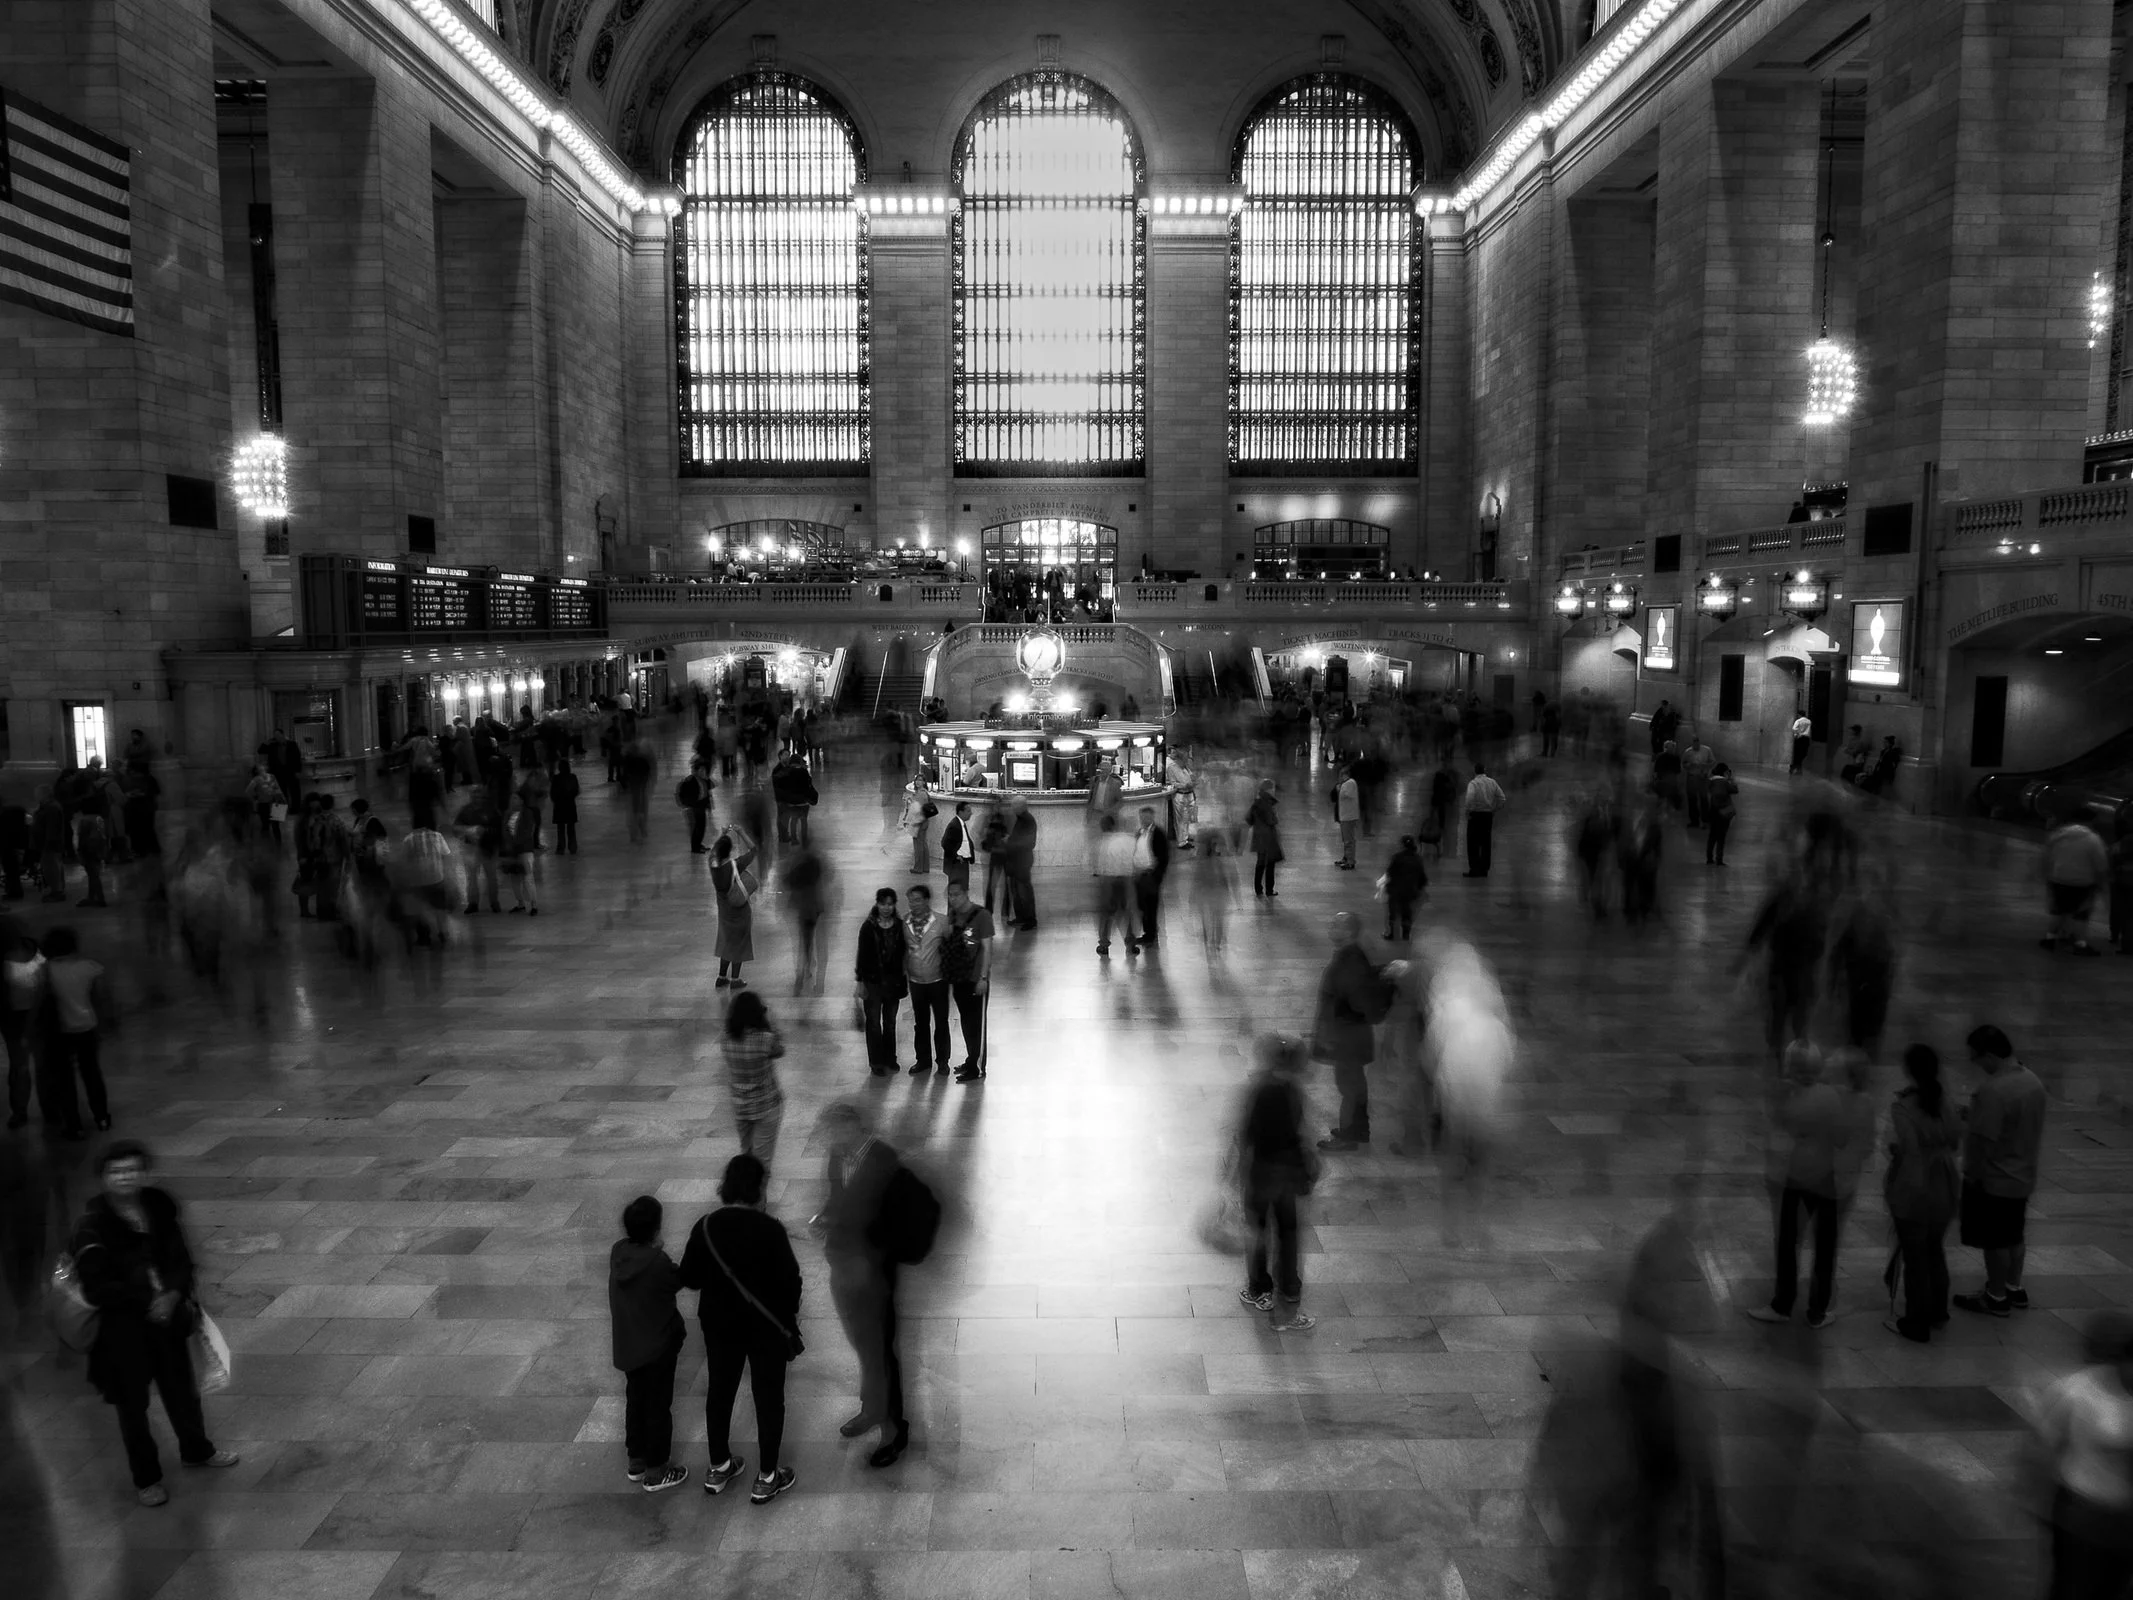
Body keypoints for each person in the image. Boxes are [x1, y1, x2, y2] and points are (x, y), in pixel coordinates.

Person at [72, 1140, 239, 1503]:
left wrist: (173, 1296)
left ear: (145, 1173)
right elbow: (98, 1286)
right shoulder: (92, 1228)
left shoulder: (159, 1208)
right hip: (123, 1332)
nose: (125, 1177)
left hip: (168, 1321)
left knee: (182, 1392)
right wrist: (148, 1301)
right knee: (132, 1408)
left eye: (132, 1170)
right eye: (116, 1172)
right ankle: (147, 1478)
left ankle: (197, 1449)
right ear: (103, 1178)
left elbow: (180, 1257)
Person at [677, 1153, 802, 1505]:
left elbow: (689, 1277)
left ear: (727, 1186)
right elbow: (791, 1282)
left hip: (719, 1324)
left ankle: (719, 1466)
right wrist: (787, 1316)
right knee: (768, 1397)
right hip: (765, 1329)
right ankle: (767, 1476)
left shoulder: (706, 1226)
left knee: (720, 1389)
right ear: (759, 1188)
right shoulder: (771, 1229)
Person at [815, 1102, 909, 1468]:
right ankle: (871, 1409)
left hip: (874, 1272)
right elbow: (837, 1199)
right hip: (844, 1265)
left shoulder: (884, 1161)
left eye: (832, 1131)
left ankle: (893, 1428)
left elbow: (892, 1221)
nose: (828, 1139)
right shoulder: (838, 1158)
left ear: (852, 1128)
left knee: (881, 1350)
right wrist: (825, 1219)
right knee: (862, 1344)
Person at [2033, 1310, 2133, 1600]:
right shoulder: (2077, 1392)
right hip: (2081, 1511)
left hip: (2123, 1517)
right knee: (2073, 1587)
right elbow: (2041, 1447)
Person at [1746, 1042, 1845, 1329]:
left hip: (1796, 1175)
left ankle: (1783, 1304)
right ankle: (1818, 1311)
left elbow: (1777, 1126)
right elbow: (1841, 1139)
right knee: (1825, 1246)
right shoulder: (1830, 1095)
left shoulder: (1788, 1098)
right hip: (1825, 1177)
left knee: (1788, 1241)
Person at [1953, 1023, 2046, 1317]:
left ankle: (1995, 1296)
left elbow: (1984, 1142)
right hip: (2023, 1173)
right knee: (2015, 1235)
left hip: (1995, 1179)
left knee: (1995, 1241)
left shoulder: (1993, 1090)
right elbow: (2014, 1123)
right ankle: (2013, 1287)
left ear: (1989, 1055)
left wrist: (1973, 1176)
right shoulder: (2032, 1081)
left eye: (1976, 1058)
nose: (1976, 1064)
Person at [1231, 1033, 1319, 1333]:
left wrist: (1232, 1172)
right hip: (1288, 1175)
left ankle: (1258, 1289)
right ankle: (1289, 1294)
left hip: (1259, 1173)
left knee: (1257, 1232)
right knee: (1289, 1235)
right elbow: (1302, 1134)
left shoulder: (1257, 1090)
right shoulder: (1294, 1092)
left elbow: (1244, 1133)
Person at [1881, 1044, 1961, 1343]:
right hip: (1944, 1183)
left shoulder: (1903, 1107)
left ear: (1908, 1070)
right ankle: (1938, 1312)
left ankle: (1916, 1323)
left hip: (1915, 1188)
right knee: (1934, 1250)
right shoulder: (1945, 1100)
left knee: (1915, 1259)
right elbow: (1954, 1140)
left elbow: (1911, 1151)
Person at [608, 1195, 688, 1492]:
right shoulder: (657, 1261)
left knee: (636, 1398)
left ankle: (636, 1459)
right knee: (658, 1405)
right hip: (656, 1346)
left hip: (629, 1345)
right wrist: (660, 1252)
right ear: (656, 1228)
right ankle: (658, 1470)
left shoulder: (618, 1253)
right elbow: (677, 1280)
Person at [1313, 913, 1391, 1153]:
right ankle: (1357, 1129)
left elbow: (1356, 999)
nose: (1330, 927)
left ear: (1348, 931)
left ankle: (1350, 1135)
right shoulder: (1350, 956)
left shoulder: (1350, 961)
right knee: (1352, 1083)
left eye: (1336, 924)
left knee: (1349, 1086)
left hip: (1348, 1035)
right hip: (1349, 1032)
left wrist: (1335, 1027)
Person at [39, 927, 113, 1139]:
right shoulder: (90, 967)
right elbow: (102, 998)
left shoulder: (46, 970)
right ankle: (102, 1117)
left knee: (64, 1079)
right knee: (92, 1074)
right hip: (87, 1027)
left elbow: (40, 1001)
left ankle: (74, 1124)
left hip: (59, 1031)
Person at [721, 991, 786, 1170]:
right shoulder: (765, 1040)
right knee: (761, 1163)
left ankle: (745, 1194)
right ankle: (757, 1196)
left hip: (740, 1106)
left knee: (746, 1154)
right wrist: (773, 1024)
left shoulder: (725, 1040)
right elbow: (780, 1050)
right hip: (766, 1105)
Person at [2040, 804, 2110, 955]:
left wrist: (2047, 875)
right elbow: (2100, 865)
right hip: (2082, 882)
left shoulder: (2058, 834)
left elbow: (2047, 856)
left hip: (2058, 878)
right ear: (2091, 821)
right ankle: (2080, 944)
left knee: (2058, 910)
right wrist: (2102, 884)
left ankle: (2049, 939)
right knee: (2081, 914)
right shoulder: (2093, 839)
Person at [854, 888, 909, 1076]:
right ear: (877, 903)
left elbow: (905, 953)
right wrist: (859, 981)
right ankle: (876, 1061)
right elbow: (861, 956)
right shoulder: (868, 927)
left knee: (890, 1022)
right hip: (873, 982)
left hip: (893, 983)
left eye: (890, 903)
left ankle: (890, 1058)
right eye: (883, 903)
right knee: (874, 1023)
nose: (886, 907)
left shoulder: (900, 926)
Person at [942, 879, 993, 1081]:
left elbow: (988, 949)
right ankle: (971, 1059)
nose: (953, 899)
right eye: (950, 895)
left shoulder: (982, 916)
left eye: (956, 894)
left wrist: (983, 977)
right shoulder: (953, 916)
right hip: (959, 978)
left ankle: (977, 1066)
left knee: (977, 1024)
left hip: (975, 979)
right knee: (965, 1021)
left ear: (966, 893)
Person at [902, 883, 950, 1076]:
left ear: (927, 900)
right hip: (916, 982)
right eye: (910, 900)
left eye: (917, 900)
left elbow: (952, 947)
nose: (913, 904)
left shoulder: (941, 922)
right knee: (921, 1023)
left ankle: (943, 1061)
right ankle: (923, 1060)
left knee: (941, 1022)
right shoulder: (905, 923)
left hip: (938, 981)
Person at [708, 828, 759, 990]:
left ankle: (722, 976)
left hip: (724, 913)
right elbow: (754, 849)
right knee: (739, 945)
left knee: (726, 943)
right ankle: (735, 979)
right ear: (730, 850)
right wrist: (741, 832)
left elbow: (713, 853)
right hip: (739, 912)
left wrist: (722, 834)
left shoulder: (713, 866)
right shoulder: (735, 865)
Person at [1092, 813, 1135, 957]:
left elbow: (1098, 867)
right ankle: (1131, 943)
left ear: (1103, 827)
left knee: (1106, 914)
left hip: (1109, 881)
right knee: (1126, 912)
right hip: (1126, 879)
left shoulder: (1102, 842)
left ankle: (1104, 944)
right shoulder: (1127, 839)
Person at [1130, 803, 1170, 950]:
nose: (1143, 820)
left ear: (1152, 817)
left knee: (1150, 907)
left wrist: (1157, 875)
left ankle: (1151, 935)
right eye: (1141, 817)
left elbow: (1164, 857)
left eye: (1146, 817)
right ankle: (1147, 932)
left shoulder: (1158, 834)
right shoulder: (1139, 832)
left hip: (1151, 875)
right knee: (1141, 906)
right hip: (1139, 875)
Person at [1461, 761, 1507, 879]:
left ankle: (1474, 869)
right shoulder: (1492, 782)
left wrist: (1467, 811)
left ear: (1475, 771)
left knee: (1473, 843)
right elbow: (1502, 798)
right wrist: (1494, 810)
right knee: (1486, 843)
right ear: (1485, 770)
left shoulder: (1473, 783)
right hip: (1487, 816)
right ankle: (1484, 869)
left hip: (1475, 816)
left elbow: (1469, 798)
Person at [500, 793, 540, 915]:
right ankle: (520, 903)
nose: (512, 800)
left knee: (528, 877)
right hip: (511, 851)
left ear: (522, 801)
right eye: (511, 798)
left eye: (515, 798)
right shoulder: (508, 813)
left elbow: (527, 832)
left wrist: (515, 844)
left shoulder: (527, 813)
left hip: (524, 850)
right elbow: (504, 830)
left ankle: (534, 905)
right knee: (515, 879)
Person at [1002, 797, 1038, 929]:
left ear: (1021, 806)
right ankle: (1021, 917)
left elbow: (1029, 843)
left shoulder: (1028, 821)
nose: (1012, 808)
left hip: (1022, 861)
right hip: (1015, 861)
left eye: (1014, 806)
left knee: (1024, 891)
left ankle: (1030, 919)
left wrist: (1009, 842)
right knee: (1016, 891)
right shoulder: (1021, 819)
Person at [1383, 835, 1427, 941]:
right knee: (1407, 912)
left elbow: (1390, 872)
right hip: (1410, 890)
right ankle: (1406, 934)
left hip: (1396, 890)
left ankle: (1392, 934)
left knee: (1393, 912)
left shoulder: (1397, 857)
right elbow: (1422, 877)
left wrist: (1388, 886)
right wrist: (1419, 888)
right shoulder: (1417, 859)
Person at [1246, 780, 1283, 898]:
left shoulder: (1256, 802)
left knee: (1260, 863)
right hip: (1268, 837)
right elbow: (1271, 820)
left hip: (1258, 836)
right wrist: (1275, 816)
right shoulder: (1267, 803)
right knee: (1270, 864)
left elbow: (1248, 819)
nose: (1274, 791)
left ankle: (1258, 889)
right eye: (1273, 788)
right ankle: (1269, 889)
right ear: (1269, 789)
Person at [1704, 763, 1737, 865]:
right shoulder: (1725, 782)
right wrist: (1731, 780)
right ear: (1725, 772)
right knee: (1721, 837)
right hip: (1725, 811)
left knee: (1712, 836)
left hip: (1713, 810)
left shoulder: (1710, 781)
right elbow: (1735, 790)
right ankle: (1719, 859)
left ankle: (1709, 858)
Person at [901, 776, 936, 874]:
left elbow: (917, 809)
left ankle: (918, 868)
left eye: (920, 780)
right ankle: (925, 867)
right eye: (917, 780)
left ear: (924, 782)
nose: (918, 782)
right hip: (923, 821)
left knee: (918, 846)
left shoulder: (920, 794)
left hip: (919, 822)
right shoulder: (923, 793)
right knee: (923, 844)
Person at [939, 801, 975, 892]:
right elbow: (945, 843)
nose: (971, 813)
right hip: (957, 864)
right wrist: (956, 856)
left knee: (963, 890)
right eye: (968, 811)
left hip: (963, 862)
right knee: (956, 891)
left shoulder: (961, 824)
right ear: (960, 812)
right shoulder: (954, 825)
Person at [679, 761, 714, 854]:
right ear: (696, 771)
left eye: (704, 770)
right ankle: (695, 848)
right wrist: (687, 805)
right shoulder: (689, 781)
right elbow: (681, 794)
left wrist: (709, 804)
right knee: (696, 828)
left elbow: (709, 790)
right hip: (693, 807)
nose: (703, 772)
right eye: (701, 770)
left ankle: (699, 844)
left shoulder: (704, 780)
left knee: (702, 827)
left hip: (701, 806)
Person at [550, 757, 581, 855]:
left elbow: (552, 793)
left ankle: (561, 848)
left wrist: (557, 800)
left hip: (559, 806)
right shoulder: (572, 777)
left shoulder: (556, 778)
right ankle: (573, 847)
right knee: (571, 828)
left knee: (560, 828)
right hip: (570, 805)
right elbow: (576, 790)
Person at [1333, 765, 1362, 869]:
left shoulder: (1350, 783)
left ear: (1344, 774)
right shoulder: (1346, 783)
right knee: (1346, 839)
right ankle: (1346, 857)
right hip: (1345, 815)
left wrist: (1339, 789)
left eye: (1341, 775)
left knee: (1349, 840)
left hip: (1349, 817)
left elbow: (1347, 794)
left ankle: (1350, 861)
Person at [1787, 709, 1813, 774]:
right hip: (1806, 739)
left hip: (1799, 738)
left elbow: (1794, 729)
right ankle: (1799, 769)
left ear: (1799, 714)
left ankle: (1793, 767)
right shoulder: (1809, 721)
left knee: (1797, 753)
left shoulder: (1798, 721)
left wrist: (1798, 734)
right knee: (1803, 753)